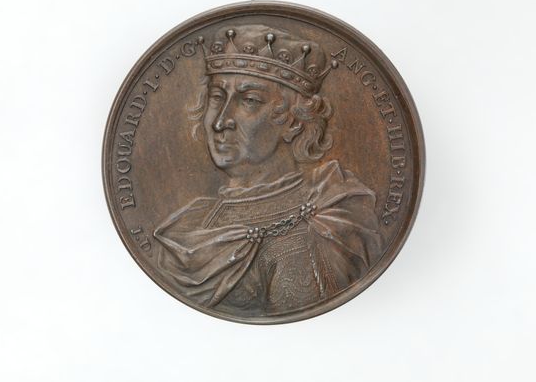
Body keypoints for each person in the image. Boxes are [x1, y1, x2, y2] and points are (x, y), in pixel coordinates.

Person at [153, 25, 385, 317]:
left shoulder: (317, 231)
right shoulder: (190, 220)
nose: (220, 122)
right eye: (217, 97)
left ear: (294, 122)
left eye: (249, 100)